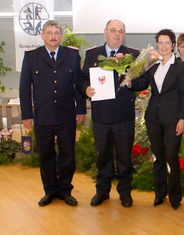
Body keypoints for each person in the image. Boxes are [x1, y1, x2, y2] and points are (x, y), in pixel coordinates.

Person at [19, 20, 86, 207]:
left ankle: (65, 190)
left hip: (66, 116)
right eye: (49, 32)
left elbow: (78, 84)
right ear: (42, 36)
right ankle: (49, 191)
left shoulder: (72, 55)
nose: (53, 36)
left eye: (57, 32)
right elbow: (25, 87)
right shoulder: (32, 56)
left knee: (67, 155)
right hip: (43, 116)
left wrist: (80, 109)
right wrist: (27, 114)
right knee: (46, 155)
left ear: (61, 36)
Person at [78, 19, 139, 208]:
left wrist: (132, 83)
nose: (117, 34)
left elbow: (143, 81)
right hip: (101, 117)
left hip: (124, 117)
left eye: (121, 31)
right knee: (102, 156)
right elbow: (81, 80)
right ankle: (102, 191)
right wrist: (86, 89)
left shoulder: (133, 55)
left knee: (124, 157)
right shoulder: (92, 54)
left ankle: (125, 192)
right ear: (105, 32)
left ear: (124, 34)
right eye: (113, 30)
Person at [131, 29, 184, 209]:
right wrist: (130, 80)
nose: (163, 46)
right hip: (153, 118)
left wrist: (182, 118)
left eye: (167, 42)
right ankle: (159, 193)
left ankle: (175, 196)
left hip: (173, 119)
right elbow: (142, 84)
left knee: (171, 157)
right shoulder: (153, 65)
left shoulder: (180, 66)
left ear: (173, 45)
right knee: (158, 157)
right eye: (160, 42)